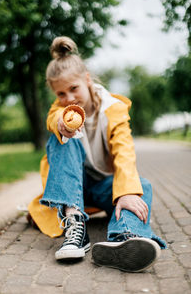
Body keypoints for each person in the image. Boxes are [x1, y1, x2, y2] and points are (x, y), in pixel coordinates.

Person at [28, 36, 166, 272]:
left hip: (103, 185)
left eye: (73, 89)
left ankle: (125, 238)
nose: (69, 98)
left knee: (142, 186)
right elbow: (53, 119)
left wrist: (126, 192)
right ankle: (75, 226)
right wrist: (61, 123)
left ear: (87, 80)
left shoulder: (113, 109)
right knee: (62, 138)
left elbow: (124, 152)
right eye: (61, 94)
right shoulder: (60, 111)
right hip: (74, 187)